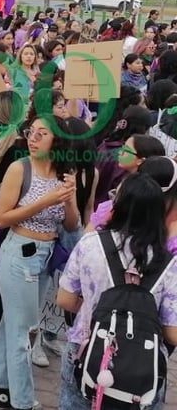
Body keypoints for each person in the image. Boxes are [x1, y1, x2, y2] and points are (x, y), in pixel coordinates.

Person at [56, 174, 177, 409]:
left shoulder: (89, 243)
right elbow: (172, 334)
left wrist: (97, 308)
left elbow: (64, 299)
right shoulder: (169, 264)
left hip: (85, 350)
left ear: (118, 206)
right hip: (142, 366)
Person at [0, 115, 81, 410]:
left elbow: (71, 225)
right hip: (19, 252)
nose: (33, 138)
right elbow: (0, 218)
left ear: (57, 141)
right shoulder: (19, 169)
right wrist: (46, 200)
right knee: (24, 329)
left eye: (42, 133)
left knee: (13, 324)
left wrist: (68, 198)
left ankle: (2, 390)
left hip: (45, 255)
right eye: (32, 132)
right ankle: (23, 401)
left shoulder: (64, 172)